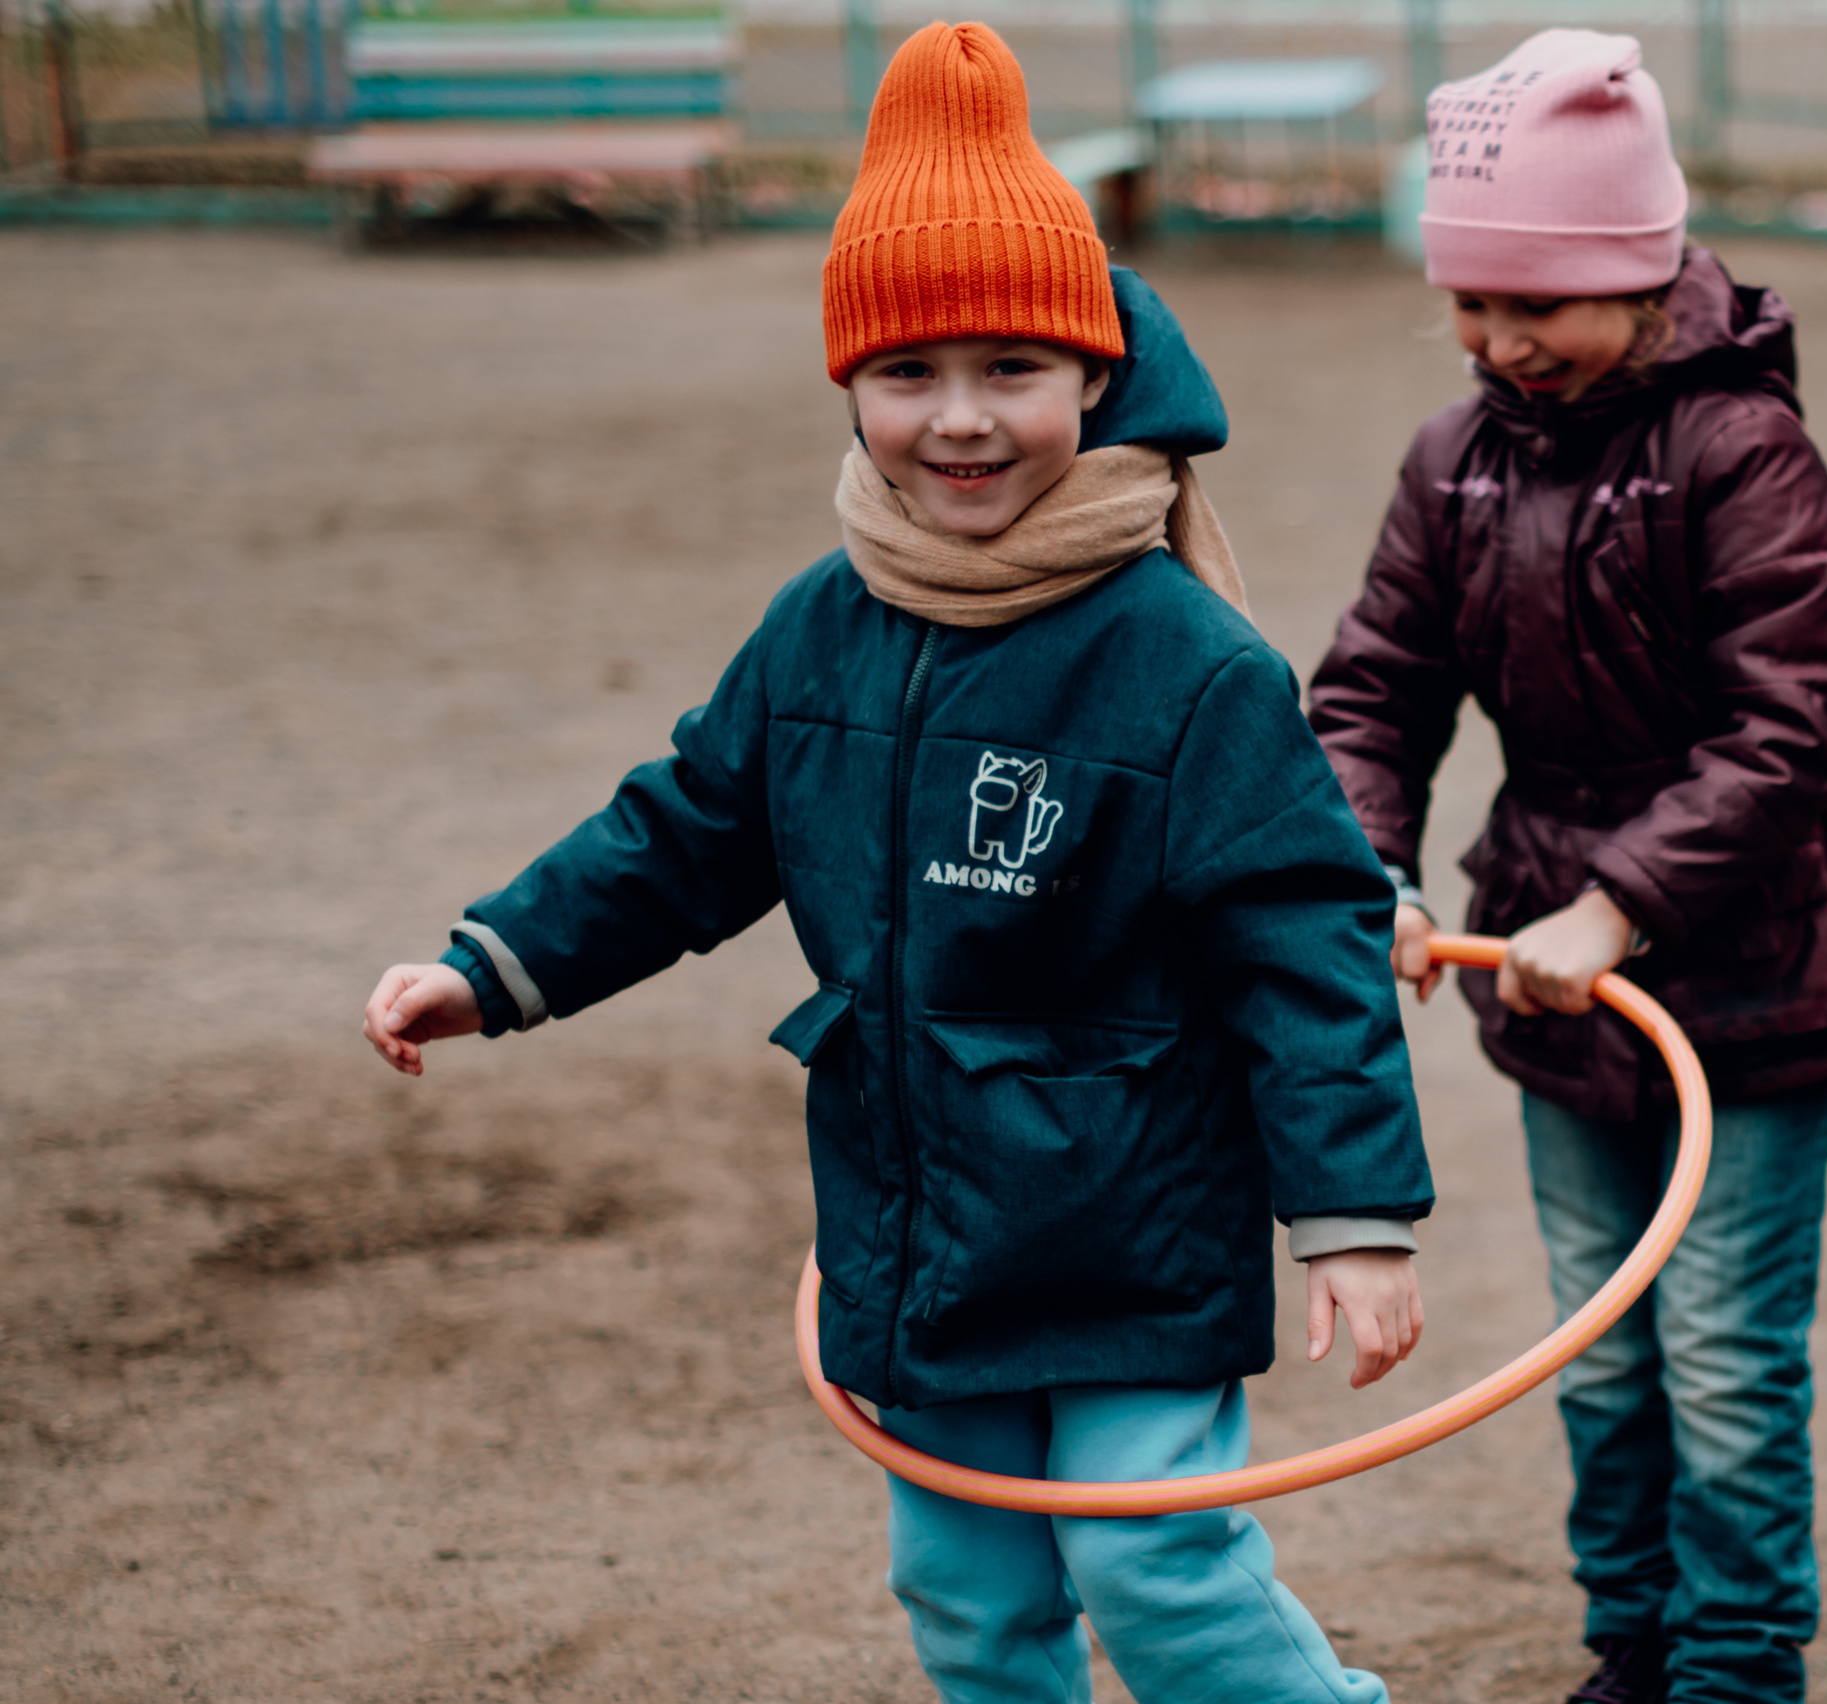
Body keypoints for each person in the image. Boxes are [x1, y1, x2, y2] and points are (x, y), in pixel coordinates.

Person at [359, 23, 1432, 1704]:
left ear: (1097, 376)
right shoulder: (821, 624)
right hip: (919, 1217)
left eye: (1014, 368)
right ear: (850, 385)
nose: (962, 421)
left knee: (1153, 1557)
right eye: (909, 372)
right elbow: (691, 827)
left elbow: (1306, 939)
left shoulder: (1187, 661)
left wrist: (1354, 1217)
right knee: (967, 1589)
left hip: (1134, 1218)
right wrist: (499, 963)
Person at [1309, 28, 1827, 1704]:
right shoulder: (1455, 460)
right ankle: (1635, 1644)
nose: (1506, 345)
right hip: (1558, 985)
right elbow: (1371, 689)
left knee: (1722, 1354)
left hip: (1754, 977)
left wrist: (1620, 900)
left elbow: (1792, 724)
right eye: (1473, 305)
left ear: (1642, 273)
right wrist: (1382, 881)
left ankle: (1734, 1669)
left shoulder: (1741, 456)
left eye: (1543, 305)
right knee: (1601, 1347)